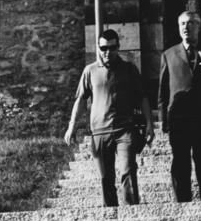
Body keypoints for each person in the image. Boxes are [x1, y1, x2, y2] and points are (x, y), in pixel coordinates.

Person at [63, 27, 154, 207]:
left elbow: (142, 98)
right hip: (99, 133)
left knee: (128, 171)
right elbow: (81, 99)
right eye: (103, 48)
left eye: (112, 48)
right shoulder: (90, 71)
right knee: (106, 177)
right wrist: (72, 125)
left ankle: (132, 212)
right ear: (98, 49)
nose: (107, 52)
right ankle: (110, 216)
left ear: (118, 47)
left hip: (124, 130)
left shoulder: (129, 69)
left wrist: (149, 123)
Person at [158, 10, 201, 202]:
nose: (187, 27)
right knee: (180, 163)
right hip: (179, 118)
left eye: (192, 23)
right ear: (179, 28)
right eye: (183, 24)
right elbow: (163, 89)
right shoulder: (169, 54)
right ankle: (183, 202)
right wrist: (163, 119)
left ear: (199, 27)